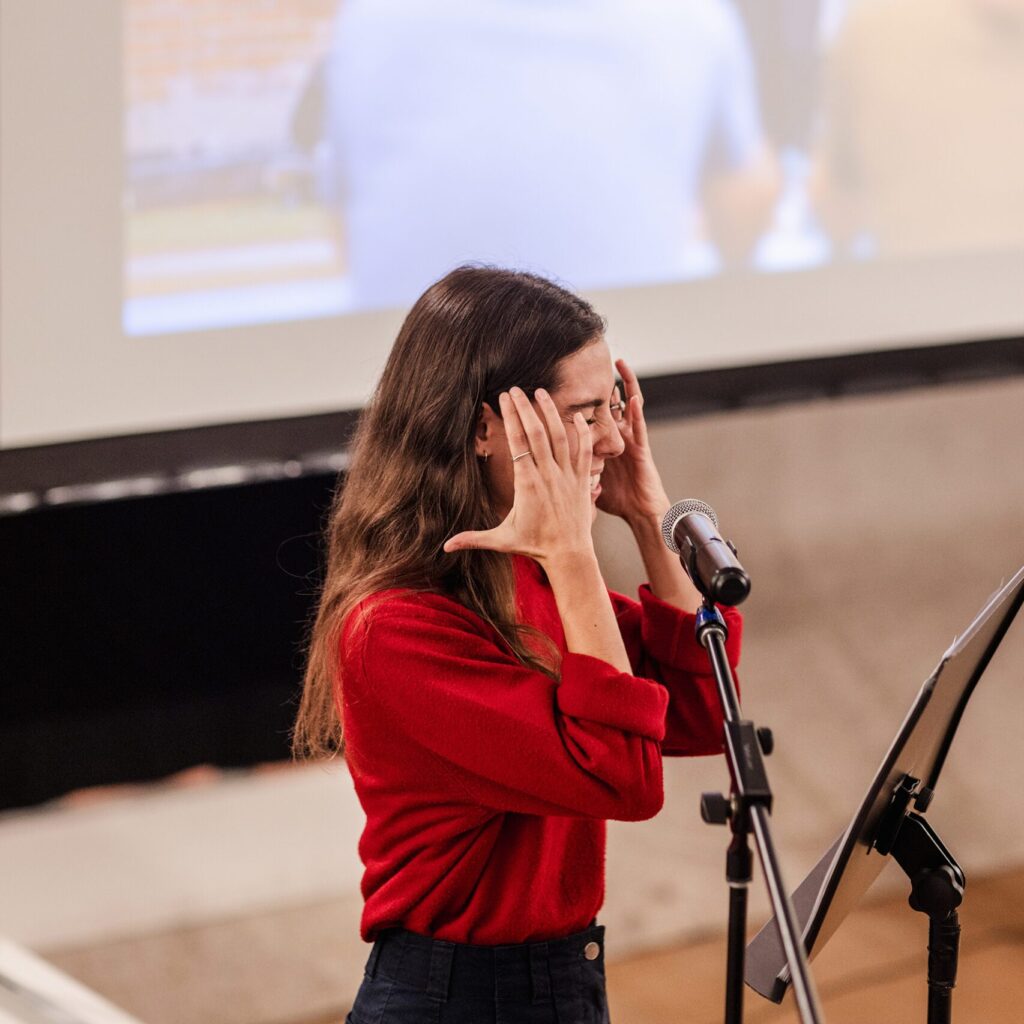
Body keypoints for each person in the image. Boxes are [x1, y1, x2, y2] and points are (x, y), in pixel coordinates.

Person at [294, 266, 742, 1023]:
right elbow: (625, 780)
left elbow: (701, 712)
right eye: (583, 413)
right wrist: (571, 551)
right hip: (454, 998)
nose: (611, 437)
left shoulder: (525, 576)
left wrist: (646, 511)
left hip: (562, 979)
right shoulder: (396, 628)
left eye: (616, 408)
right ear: (481, 429)